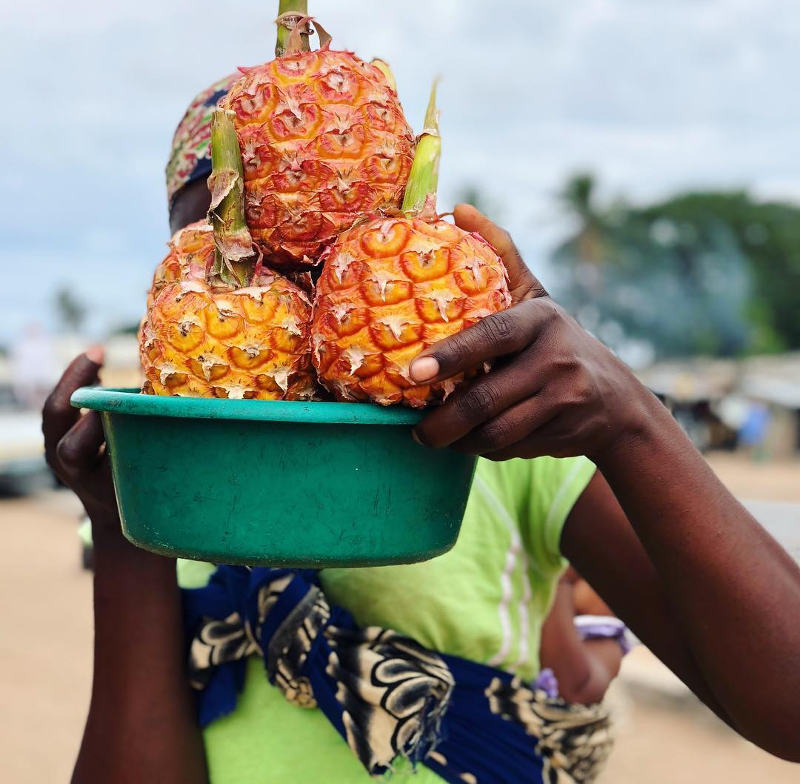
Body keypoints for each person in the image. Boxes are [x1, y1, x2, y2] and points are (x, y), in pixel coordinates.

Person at [43, 81, 800, 784]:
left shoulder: (510, 436)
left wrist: (629, 422)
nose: (278, 296)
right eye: (225, 256)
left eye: (325, 246)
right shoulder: (168, 469)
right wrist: (121, 527)